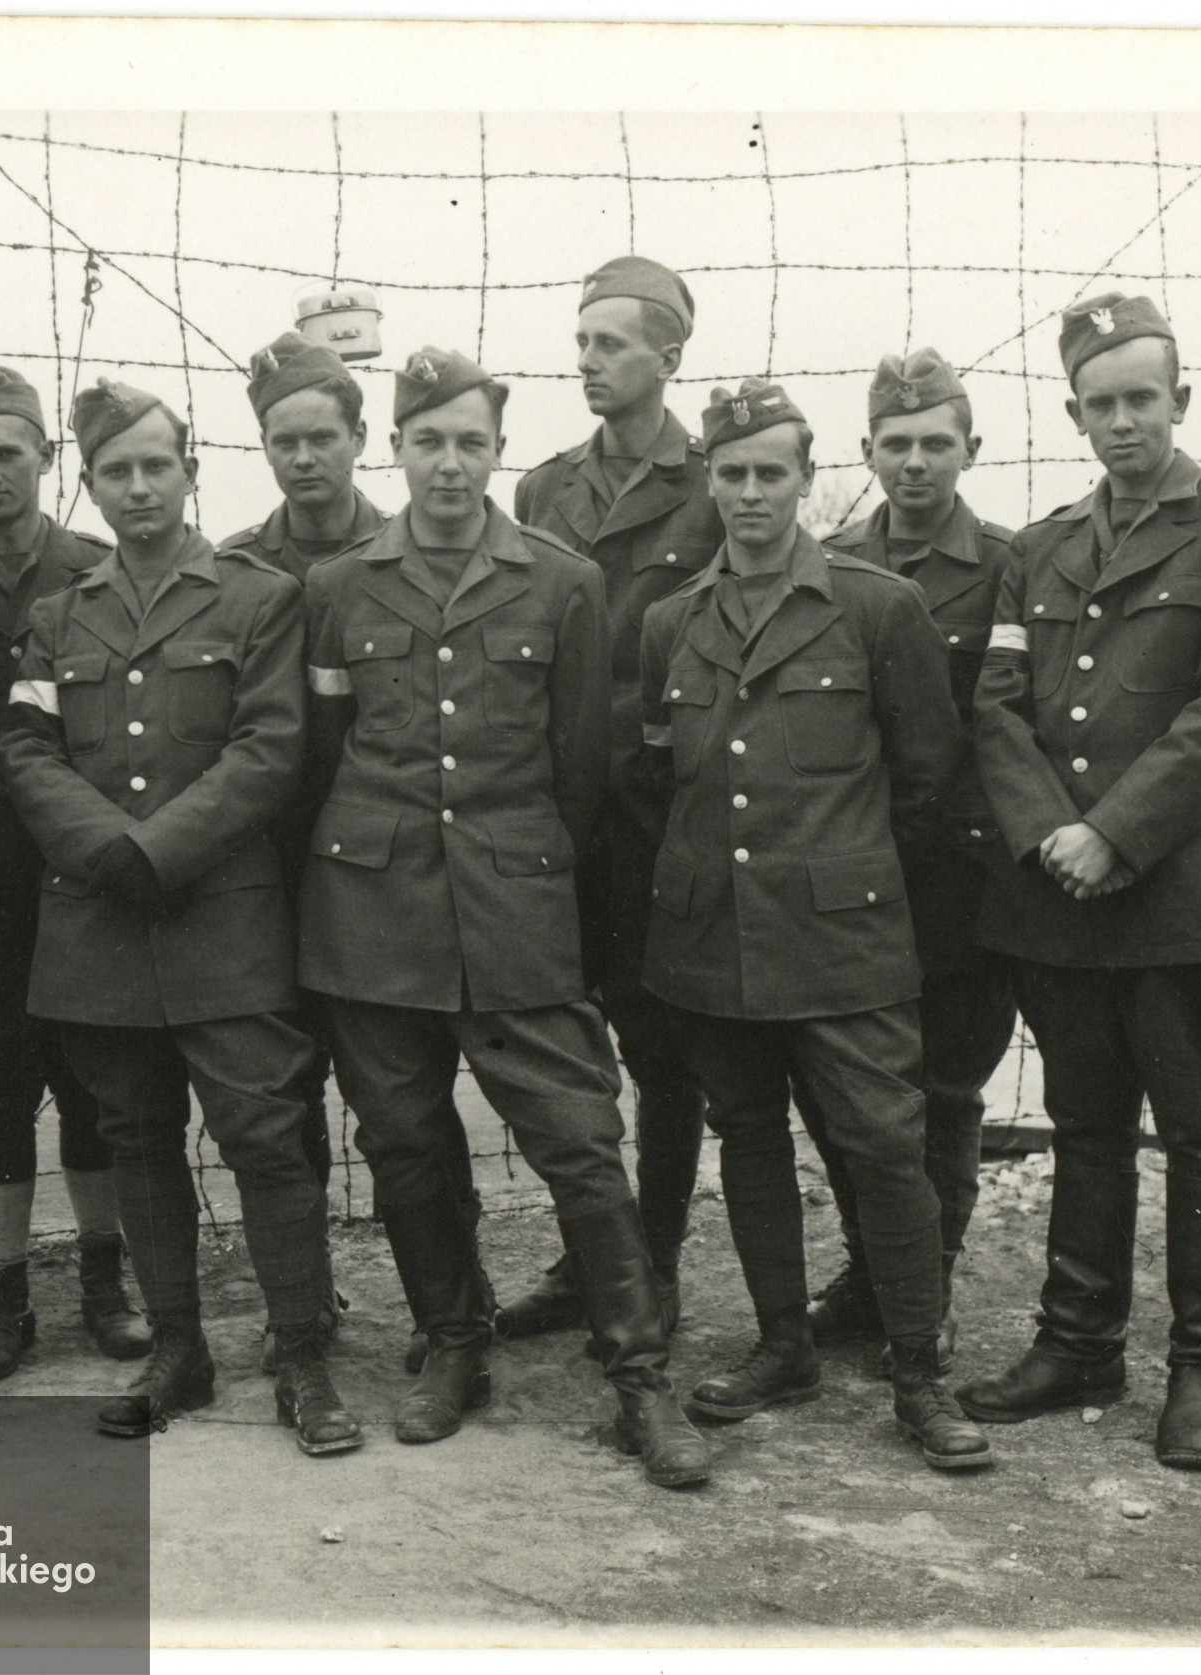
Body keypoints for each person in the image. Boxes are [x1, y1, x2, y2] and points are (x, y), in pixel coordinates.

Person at [298, 346, 710, 1488]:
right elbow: (329, 757)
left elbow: (582, 764)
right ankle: (454, 1340)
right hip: (373, 913)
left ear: (496, 451)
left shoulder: (561, 581)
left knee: (580, 1143)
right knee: (407, 1145)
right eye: (426, 440)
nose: (447, 463)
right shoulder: (338, 589)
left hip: (517, 905)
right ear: (396, 448)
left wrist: (523, 871)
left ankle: (639, 1375)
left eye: (469, 441)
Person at [958, 294, 1201, 1472]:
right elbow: (998, 709)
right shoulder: (1040, 548)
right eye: (1098, 405)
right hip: (1064, 897)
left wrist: (1113, 832)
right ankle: (1078, 1343)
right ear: (1072, 413)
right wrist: (1053, 833)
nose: (1121, 423)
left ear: (1180, 402)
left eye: (1140, 400)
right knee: (1084, 1125)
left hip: (1192, 898)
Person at [0, 378, 359, 1455]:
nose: (140, 486)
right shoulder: (58, 615)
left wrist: (156, 849)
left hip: (225, 921)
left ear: (192, 470)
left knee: (264, 1136)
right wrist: (106, 847)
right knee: (135, 1135)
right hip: (101, 923)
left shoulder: (256, 598)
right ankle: (179, 1348)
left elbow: (270, 749)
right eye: (117, 470)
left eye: (158, 464)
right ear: (93, 484)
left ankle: (302, 1353)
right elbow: (24, 748)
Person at [638, 379, 991, 1472]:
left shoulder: (876, 607)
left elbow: (928, 785)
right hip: (714, 943)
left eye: (772, 472)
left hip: (847, 943)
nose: (751, 493)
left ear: (806, 476)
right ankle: (783, 1345)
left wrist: (851, 887)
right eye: (732, 473)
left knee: (886, 1148)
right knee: (745, 1136)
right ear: (709, 478)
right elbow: (665, 784)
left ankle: (919, 1375)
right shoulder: (669, 623)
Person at [225, 331, 491, 1377]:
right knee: (281, 1104)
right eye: (283, 440)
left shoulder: (403, 554)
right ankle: (307, 1300)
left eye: (322, 438)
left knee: (406, 1110)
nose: (304, 459)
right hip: (267, 876)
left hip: (386, 880)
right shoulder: (238, 565)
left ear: (358, 442)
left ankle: (456, 1306)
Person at [499, 257, 720, 1347]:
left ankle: (656, 1262)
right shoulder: (544, 490)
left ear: (668, 358)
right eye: (580, 342)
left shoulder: (714, 482)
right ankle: (591, 1255)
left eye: (610, 345)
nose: (586, 362)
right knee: (568, 1053)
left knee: (664, 1053)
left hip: (661, 814)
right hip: (558, 813)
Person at [796, 350, 1019, 1371]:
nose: (917, 463)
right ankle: (871, 1275)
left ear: (972, 448)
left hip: (961, 884)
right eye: (897, 444)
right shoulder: (828, 562)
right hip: (852, 876)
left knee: (945, 1091)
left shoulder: (1011, 566)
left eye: (938, 443)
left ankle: (920, 1288)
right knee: (851, 1097)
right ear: (867, 452)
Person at [0, 365, 152, 1383]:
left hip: (76, 865)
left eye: (7, 456)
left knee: (88, 1078)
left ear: (45, 460)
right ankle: (6, 1292)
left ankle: (104, 1280)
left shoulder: (93, 568)